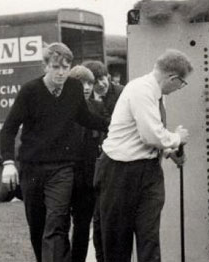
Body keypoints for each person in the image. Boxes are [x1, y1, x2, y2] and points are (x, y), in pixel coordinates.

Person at [0, 43, 108, 262]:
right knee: (38, 227)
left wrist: (117, 124)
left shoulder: (74, 88)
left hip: (62, 169)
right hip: (32, 169)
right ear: (45, 66)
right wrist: (9, 163)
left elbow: (85, 118)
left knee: (57, 222)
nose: (61, 72)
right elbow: (9, 129)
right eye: (56, 67)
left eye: (65, 67)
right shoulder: (30, 91)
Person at [96, 49, 192, 262]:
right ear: (172, 78)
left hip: (147, 172)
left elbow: (147, 137)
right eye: (181, 84)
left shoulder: (157, 95)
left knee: (149, 239)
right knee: (118, 242)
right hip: (119, 172)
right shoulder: (141, 90)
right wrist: (176, 139)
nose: (179, 89)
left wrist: (168, 150)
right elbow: (151, 135)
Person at [82, 60, 123, 262]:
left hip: (116, 164)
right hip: (95, 165)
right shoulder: (89, 100)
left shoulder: (122, 94)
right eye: (96, 80)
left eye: (103, 77)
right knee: (98, 222)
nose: (101, 83)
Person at [69, 65, 109, 262]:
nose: (86, 87)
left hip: (88, 178)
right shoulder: (61, 108)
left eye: (89, 83)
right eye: (81, 82)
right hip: (66, 175)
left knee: (83, 226)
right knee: (58, 224)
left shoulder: (97, 107)